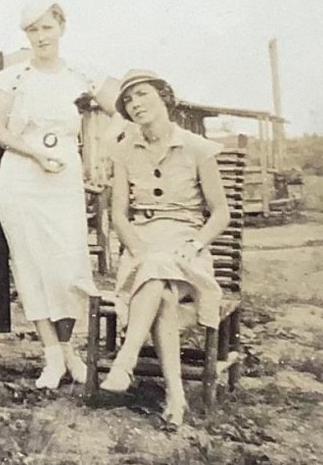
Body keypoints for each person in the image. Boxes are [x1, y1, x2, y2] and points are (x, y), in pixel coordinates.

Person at [0, 0, 115, 389]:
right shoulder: (15, 77)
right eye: (33, 30)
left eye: (47, 27)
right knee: (31, 263)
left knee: (69, 263)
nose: (41, 36)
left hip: (64, 175)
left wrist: (104, 148)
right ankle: (52, 357)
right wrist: (36, 154)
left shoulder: (80, 73)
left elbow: (121, 108)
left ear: (61, 26)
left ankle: (70, 348)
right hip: (22, 174)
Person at [100, 70, 230, 428]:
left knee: (161, 273)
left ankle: (125, 363)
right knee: (164, 292)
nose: (135, 104)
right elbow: (119, 216)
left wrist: (197, 243)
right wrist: (138, 248)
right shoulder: (124, 150)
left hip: (187, 247)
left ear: (164, 97)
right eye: (128, 100)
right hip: (142, 244)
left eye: (142, 95)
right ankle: (176, 395)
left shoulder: (197, 148)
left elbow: (221, 213)